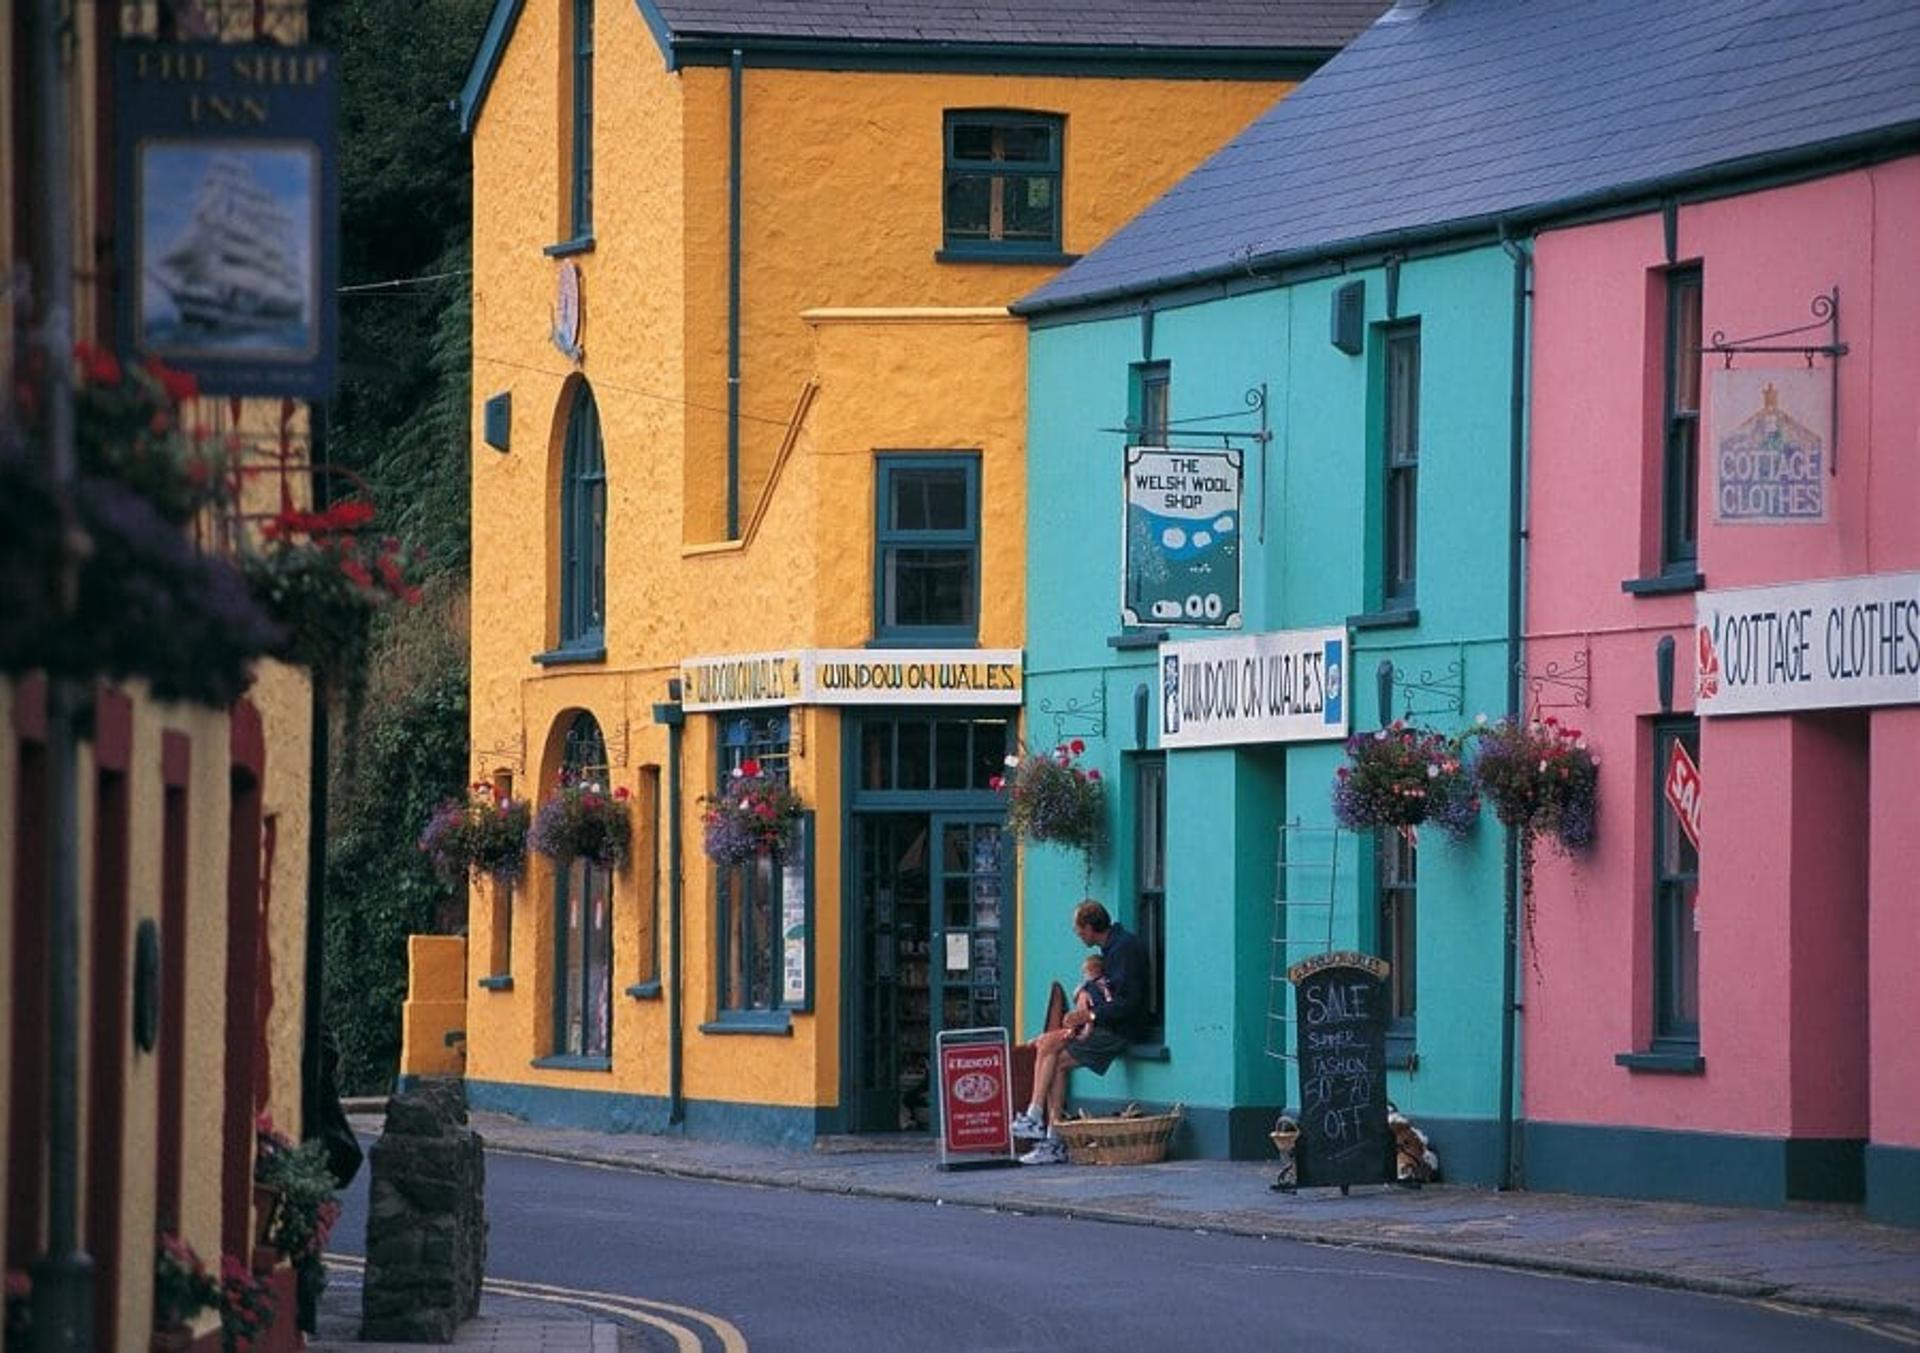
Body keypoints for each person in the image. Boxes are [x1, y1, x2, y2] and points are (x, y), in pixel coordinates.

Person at [1011, 899, 1148, 1164]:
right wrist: (1085, 994)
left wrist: (1090, 1015)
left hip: (1118, 1030)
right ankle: (1051, 1136)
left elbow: (1127, 1002)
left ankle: (1036, 1119)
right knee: (1053, 1055)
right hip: (1105, 1025)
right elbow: (1104, 988)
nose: (1077, 935)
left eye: (1078, 930)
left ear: (1089, 928)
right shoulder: (1112, 947)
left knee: (1048, 1046)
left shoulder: (1123, 949)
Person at [1070, 954, 1110, 1041]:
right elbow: (1075, 995)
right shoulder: (1088, 985)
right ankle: (1076, 1029)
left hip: (1096, 1009)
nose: (1085, 975)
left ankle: (1086, 1031)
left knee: (1087, 1015)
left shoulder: (1098, 984)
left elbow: (1108, 998)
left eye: (1086, 972)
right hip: (1094, 1008)